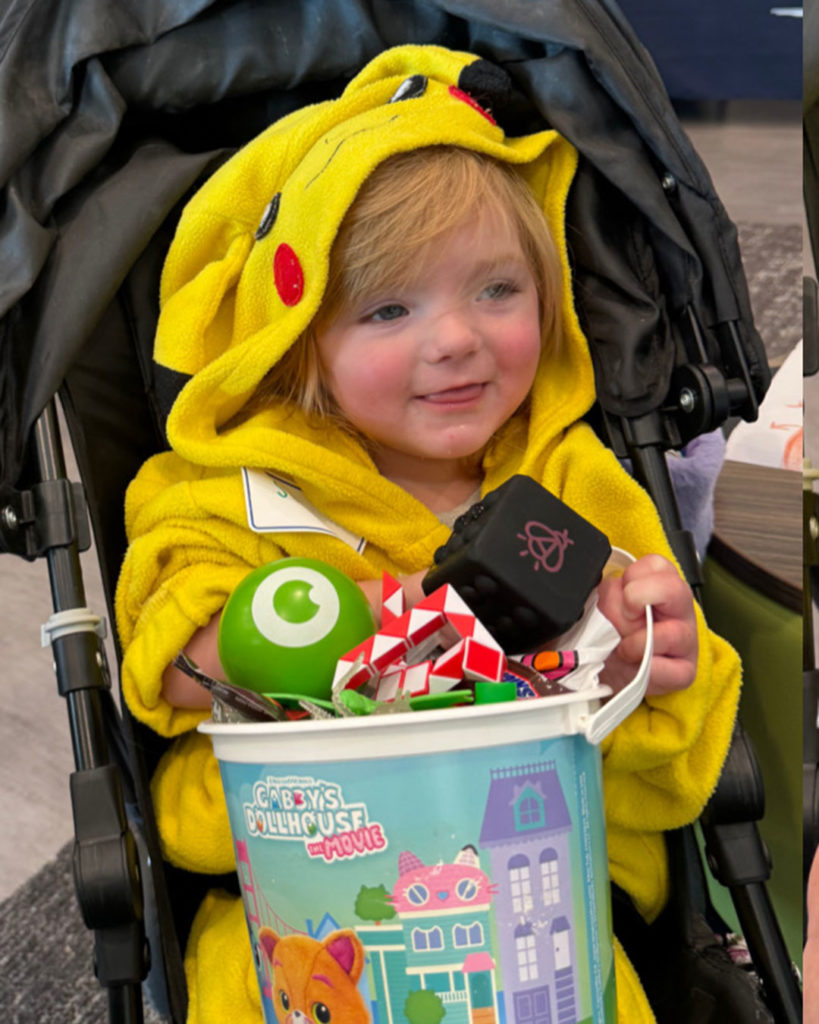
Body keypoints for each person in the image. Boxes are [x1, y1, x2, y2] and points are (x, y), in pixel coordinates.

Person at [115, 44, 741, 1024]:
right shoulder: (236, 492)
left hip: (539, 874)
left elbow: (658, 737)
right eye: (390, 308)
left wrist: (639, 658)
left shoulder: (568, 479)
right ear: (301, 339)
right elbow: (170, 657)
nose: (455, 339)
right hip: (302, 898)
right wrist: (327, 631)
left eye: (498, 291)